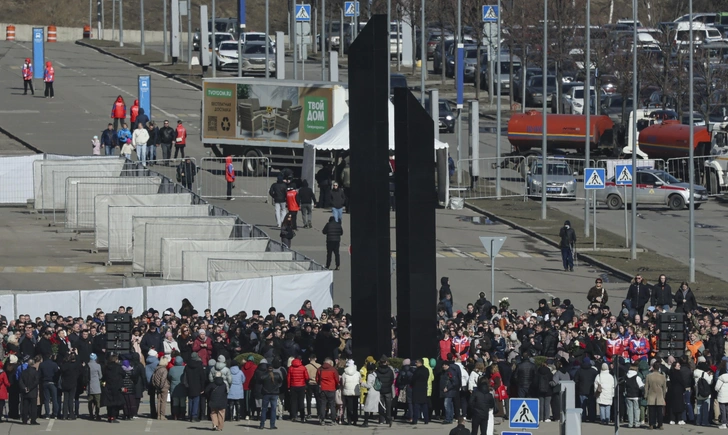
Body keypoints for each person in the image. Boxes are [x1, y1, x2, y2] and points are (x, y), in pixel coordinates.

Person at [258, 360, 283, 430]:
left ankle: (262, 424)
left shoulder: (264, 376)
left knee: (264, 409)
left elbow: (259, 382)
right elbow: (281, 382)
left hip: (266, 394)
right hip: (274, 394)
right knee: (273, 409)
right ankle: (272, 425)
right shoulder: (277, 375)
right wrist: (277, 387)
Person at [316, 357, 340, 425]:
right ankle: (333, 420)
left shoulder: (319, 369)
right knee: (332, 405)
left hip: (323, 389)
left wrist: (320, 384)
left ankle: (322, 420)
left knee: (323, 405)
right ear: (329, 362)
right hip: (331, 389)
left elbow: (317, 379)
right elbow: (337, 380)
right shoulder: (333, 369)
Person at [19, 355, 41, 425]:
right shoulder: (35, 372)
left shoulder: (24, 372)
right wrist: (30, 388)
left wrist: (24, 387)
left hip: (25, 392)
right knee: (33, 407)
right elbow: (36, 382)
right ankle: (33, 420)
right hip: (32, 391)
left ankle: (24, 420)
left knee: (25, 406)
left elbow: (20, 381)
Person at [645, 361, 667, 430]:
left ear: (653, 368)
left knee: (651, 411)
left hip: (651, 395)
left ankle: (651, 424)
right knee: (660, 412)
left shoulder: (648, 376)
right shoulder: (662, 377)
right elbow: (664, 388)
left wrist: (646, 395)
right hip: (660, 395)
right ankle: (660, 425)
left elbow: (646, 387)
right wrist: (663, 396)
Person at [287, 356, 309, 423]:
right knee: (301, 402)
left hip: (293, 386)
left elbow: (288, 378)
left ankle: (293, 416)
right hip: (301, 386)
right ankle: (302, 416)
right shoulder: (303, 367)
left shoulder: (291, 368)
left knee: (293, 402)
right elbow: (307, 377)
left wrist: (288, 387)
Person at [360, 361, 379, 428]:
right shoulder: (375, 374)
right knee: (375, 408)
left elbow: (369, 385)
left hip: (371, 392)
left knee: (366, 408)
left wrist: (362, 383)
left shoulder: (370, 375)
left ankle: (365, 422)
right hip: (376, 392)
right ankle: (388, 418)